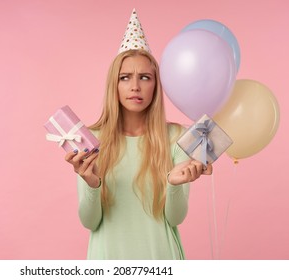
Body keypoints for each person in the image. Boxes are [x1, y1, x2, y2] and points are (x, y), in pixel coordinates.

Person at [64, 9, 212, 260]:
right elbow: (90, 222)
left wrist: (174, 183)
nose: (135, 86)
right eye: (125, 78)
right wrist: (92, 184)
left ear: (156, 84)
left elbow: (176, 218)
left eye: (145, 77)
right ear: (115, 84)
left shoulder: (178, 137)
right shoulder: (89, 138)